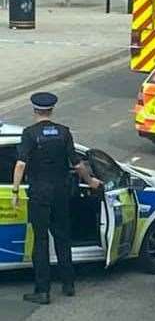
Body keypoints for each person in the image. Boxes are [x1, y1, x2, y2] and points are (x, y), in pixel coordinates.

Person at [11, 92, 102, 305]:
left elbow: (21, 164)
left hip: (40, 195)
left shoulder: (29, 134)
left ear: (35, 110)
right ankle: (68, 284)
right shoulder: (64, 133)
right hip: (61, 193)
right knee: (63, 238)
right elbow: (77, 164)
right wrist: (90, 182)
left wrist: (15, 191)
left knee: (41, 241)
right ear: (51, 110)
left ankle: (43, 291)